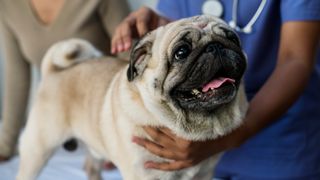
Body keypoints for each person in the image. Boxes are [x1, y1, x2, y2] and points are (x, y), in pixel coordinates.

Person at [111, 0, 320, 179]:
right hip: (197, 155)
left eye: (226, 40)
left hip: (280, 149)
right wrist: (156, 24)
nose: (212, 52)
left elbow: (295, 60)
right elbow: (175, 26)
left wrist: (232, 136)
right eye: (183, 52)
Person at [0, 0, 129, 161]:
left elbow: (130, 59)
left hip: (105, 124)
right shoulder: (7, 6)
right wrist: (6, 144)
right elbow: (17, 76)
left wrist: (123, 140)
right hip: (54, 117)